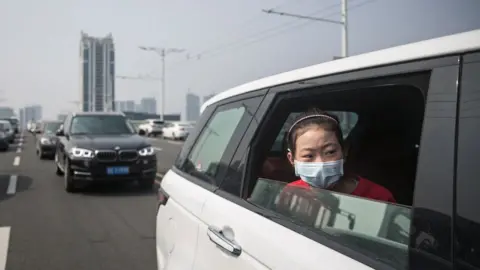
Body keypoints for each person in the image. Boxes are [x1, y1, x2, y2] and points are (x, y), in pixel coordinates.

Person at [282, 108, 396, 203]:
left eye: (330, 152)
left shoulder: (378, 197)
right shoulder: (291, 192)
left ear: (344, 150)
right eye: (308, 155)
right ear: (292, 159)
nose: (321, 163)